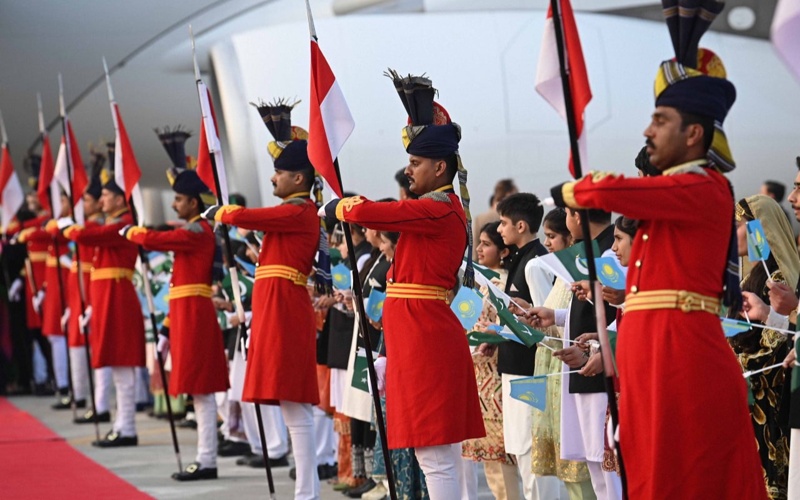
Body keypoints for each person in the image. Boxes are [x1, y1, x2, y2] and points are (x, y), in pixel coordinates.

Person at [546, 42, 766, 497]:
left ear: (694, 134)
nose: (648, 130)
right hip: (652, 360)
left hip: (682, 359)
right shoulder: (671, 200)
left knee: (688, 480)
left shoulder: (704, 186)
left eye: (661, 121)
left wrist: (576, 190)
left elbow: (612, 191)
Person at [322, 71, 484, 499]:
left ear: (440, 167)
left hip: (425, 337)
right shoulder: (434, 207)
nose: (409, 170)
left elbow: (381, 214)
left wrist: (342, 206)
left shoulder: (438, 209)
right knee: (435, 452)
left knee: (434, 452)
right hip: (418, 333)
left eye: (415, 163)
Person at [204, 100, 322, 499]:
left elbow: (255, 217)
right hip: (275, 309)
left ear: (299, 177)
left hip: (286, 311)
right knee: (290, 406)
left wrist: (225, 212)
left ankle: (307, 491)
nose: (273, 179)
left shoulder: (301, 210)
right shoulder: (290, 212)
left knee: (296, 405)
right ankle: (304, 489)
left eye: (280, 173)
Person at [123, 130, 230, 480]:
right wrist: (168, 326)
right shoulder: (194, 231)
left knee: (201, 391)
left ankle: (207, 458)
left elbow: (159, 239)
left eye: (180, 200)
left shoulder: (197, 232)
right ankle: (205, 457)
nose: (175, 205)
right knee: (196, 393)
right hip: (185, 317)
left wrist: (134, 232)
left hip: (196, 319)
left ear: (194, 204)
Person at [63, 165, 146, 447]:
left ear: (122, 199)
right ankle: (122, 425)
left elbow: (88, 236)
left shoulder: (123, 223)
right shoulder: (113, 221)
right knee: (115, 363)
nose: (102, 201)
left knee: (122, 365)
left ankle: (127, 428)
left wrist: (67, 227)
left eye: (107, 195)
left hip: (118, 298)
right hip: (107, 298)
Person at [494, 192, 560, 499]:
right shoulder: (520, 259)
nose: (499, 230)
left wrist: (525, 311)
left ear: (521, 226)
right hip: (514, 366)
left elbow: (552, 326)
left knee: (532, 453)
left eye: (504, 223)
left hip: (530, 369)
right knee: (519, 449)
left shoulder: (535, 263)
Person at [732, 194, 796, 499]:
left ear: (761, 230)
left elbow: (780, 346)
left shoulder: (779, 280)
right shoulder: (750, 275)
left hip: (767, 404)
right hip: (746, 403)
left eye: (742, 225)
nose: (735, 233)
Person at [528, 208, 593, 500]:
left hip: (577, 370)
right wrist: (548, 316)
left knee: (586, 469)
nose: (548, 242)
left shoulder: (581, 269)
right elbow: (563, 316)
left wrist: (552, 319)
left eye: (553, 236)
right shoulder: (561, 274)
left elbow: (582, 323)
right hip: (558, 375)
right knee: (570, 472)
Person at [463, 220, 519, 500]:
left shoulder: (505, 282)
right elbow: (461, 321)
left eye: (487, 244)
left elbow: (509, 325)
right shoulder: (475, 281)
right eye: (480, 244)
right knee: (487, 456)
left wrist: (492, 338)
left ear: (503, 251)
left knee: (503, 455)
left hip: (497, 373)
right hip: (475, 374)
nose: (481, 249)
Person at [472, 179, 518, 259]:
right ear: (508, 194)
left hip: (485, 265)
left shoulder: (480, 218)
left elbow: (475, 248)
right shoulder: (512, 216)